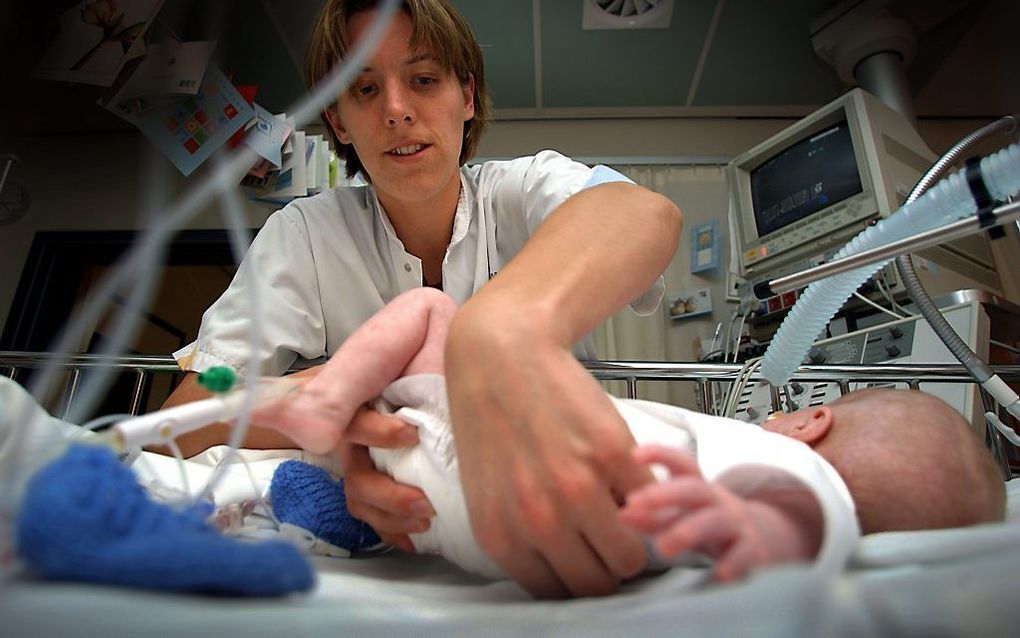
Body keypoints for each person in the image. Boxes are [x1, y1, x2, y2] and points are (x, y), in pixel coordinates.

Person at [161, 0, 682, 598]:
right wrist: (331, 395)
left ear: (466, 95)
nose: (397, 110)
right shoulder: (303, 233)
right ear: (337, 123)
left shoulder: (522, 189)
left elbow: (640, 213)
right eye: (363, 90)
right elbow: (195, 402)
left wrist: (496, 333)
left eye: (424, 79)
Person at [256, 287, 1006, 585]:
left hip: (530, 489)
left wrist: (752, 528)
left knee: (428, 308)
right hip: (473, 522)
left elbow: (792, 515)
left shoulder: (789, 473)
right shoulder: (764, 486)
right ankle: (345, 506)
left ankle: (327, 399)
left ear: (812, 420)